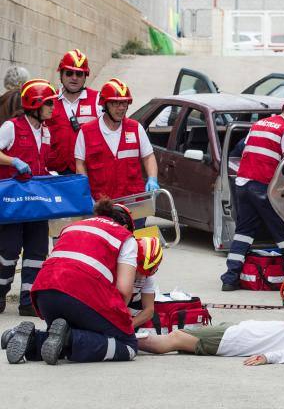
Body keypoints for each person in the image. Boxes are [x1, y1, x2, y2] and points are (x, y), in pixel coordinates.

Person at [4, 200, 139, 365]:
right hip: (81, 296)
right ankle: (69, 339)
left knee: (64, 333)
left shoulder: (74, 226)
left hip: (45, 295)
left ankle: (30, 340)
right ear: (126, 227)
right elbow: (124, 290)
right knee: (128, 345)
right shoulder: (125, 237)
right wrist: (119, 318)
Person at [220, 96, 284, 290]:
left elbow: (242, 148)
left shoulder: (260, 123)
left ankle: (230, 278)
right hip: (262, 186)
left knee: (244, 232)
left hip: (242, 183)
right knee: (281, 229)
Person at [0, 79, 56, 316]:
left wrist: (49, 174)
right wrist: (13, 161)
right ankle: (0, 292)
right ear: (36, 104)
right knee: (9, 249)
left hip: (36, 202)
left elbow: (42, 163)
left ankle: (27, 301)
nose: (53, 108)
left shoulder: (46, 132)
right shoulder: (11, 127)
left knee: (37, 251)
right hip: (12, 202)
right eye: (49, 103)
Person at [74, 78, 159, 201]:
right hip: (102, 204)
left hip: (133, 203)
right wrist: (85, 193)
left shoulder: (136, 128)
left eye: (125, 103)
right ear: (104, 104)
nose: (121, 108)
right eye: (116, 103)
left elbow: (148, 157)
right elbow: (80, 164)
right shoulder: (86, 132)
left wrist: (152, 178)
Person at [137, 319, 284, 364]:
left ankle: (127, 341)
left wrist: (266, 357)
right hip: (239, 330)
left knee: (176, 338)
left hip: (233, 340)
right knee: (180, 336)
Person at [45, 49, 103, 175]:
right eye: (69, 73)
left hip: (88, 172)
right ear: (61, 74)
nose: (74, 78)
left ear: (85, 76)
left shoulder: (98, 100)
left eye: (79, 74)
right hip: (54, 174)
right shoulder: (49, 100)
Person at [128, 237, 163, 329]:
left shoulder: (148, 278)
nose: (140, 276)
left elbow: (149, 310)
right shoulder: (117, 269)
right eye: (137, 271)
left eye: (145, 274)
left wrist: (127, 327)